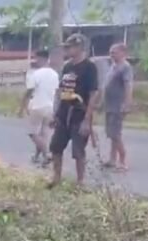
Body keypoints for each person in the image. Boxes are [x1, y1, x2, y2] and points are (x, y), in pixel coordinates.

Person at [48, 33, 100, 188]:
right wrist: (55, 113)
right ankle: (56, 178)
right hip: (64, 113)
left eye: (69, 47)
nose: (67, 50)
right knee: (56, 147)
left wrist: (87, 119)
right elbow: (60, 91)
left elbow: (93, 94)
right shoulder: (67, 66)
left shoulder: (89, 67)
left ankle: (80, 182)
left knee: (78, 151)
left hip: (79, 113)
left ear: (79, 47)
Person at [19, 50, 59, 165]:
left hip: (37, 106)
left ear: (41, 58)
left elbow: (29, 91)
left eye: (36, 58)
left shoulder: (36, 74)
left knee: (32, 133)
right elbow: (57, 92)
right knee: (43, 134)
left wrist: (22, 107)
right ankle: (37, 156)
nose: (35, 60)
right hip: (50, 106)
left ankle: (46, 155)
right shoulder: (55, 74)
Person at [102, 43, 134, 171]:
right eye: (110, 52)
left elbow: (128, 86)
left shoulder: (125, 68)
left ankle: (122, 160)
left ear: (123, 53)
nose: (111, 55)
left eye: (114, 52)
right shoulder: (113, 67)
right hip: (109, 105)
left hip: (117, 105)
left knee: (115, 133)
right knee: (111, 133)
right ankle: (112, 159)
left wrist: (127, 103)